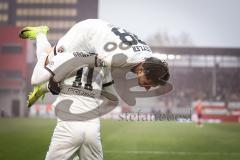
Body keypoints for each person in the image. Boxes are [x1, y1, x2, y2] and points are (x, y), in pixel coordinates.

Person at [19, 19, 171, 160]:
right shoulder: (117, 59)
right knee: (48, 63)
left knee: (75, 73)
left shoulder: (149, 59)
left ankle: (44, 88)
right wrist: (54, 80)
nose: (147, 88)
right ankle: (40, 34)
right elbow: (84, 60)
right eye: (150, 83)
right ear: (142, 70)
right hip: (84, 34)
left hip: (100, 35)